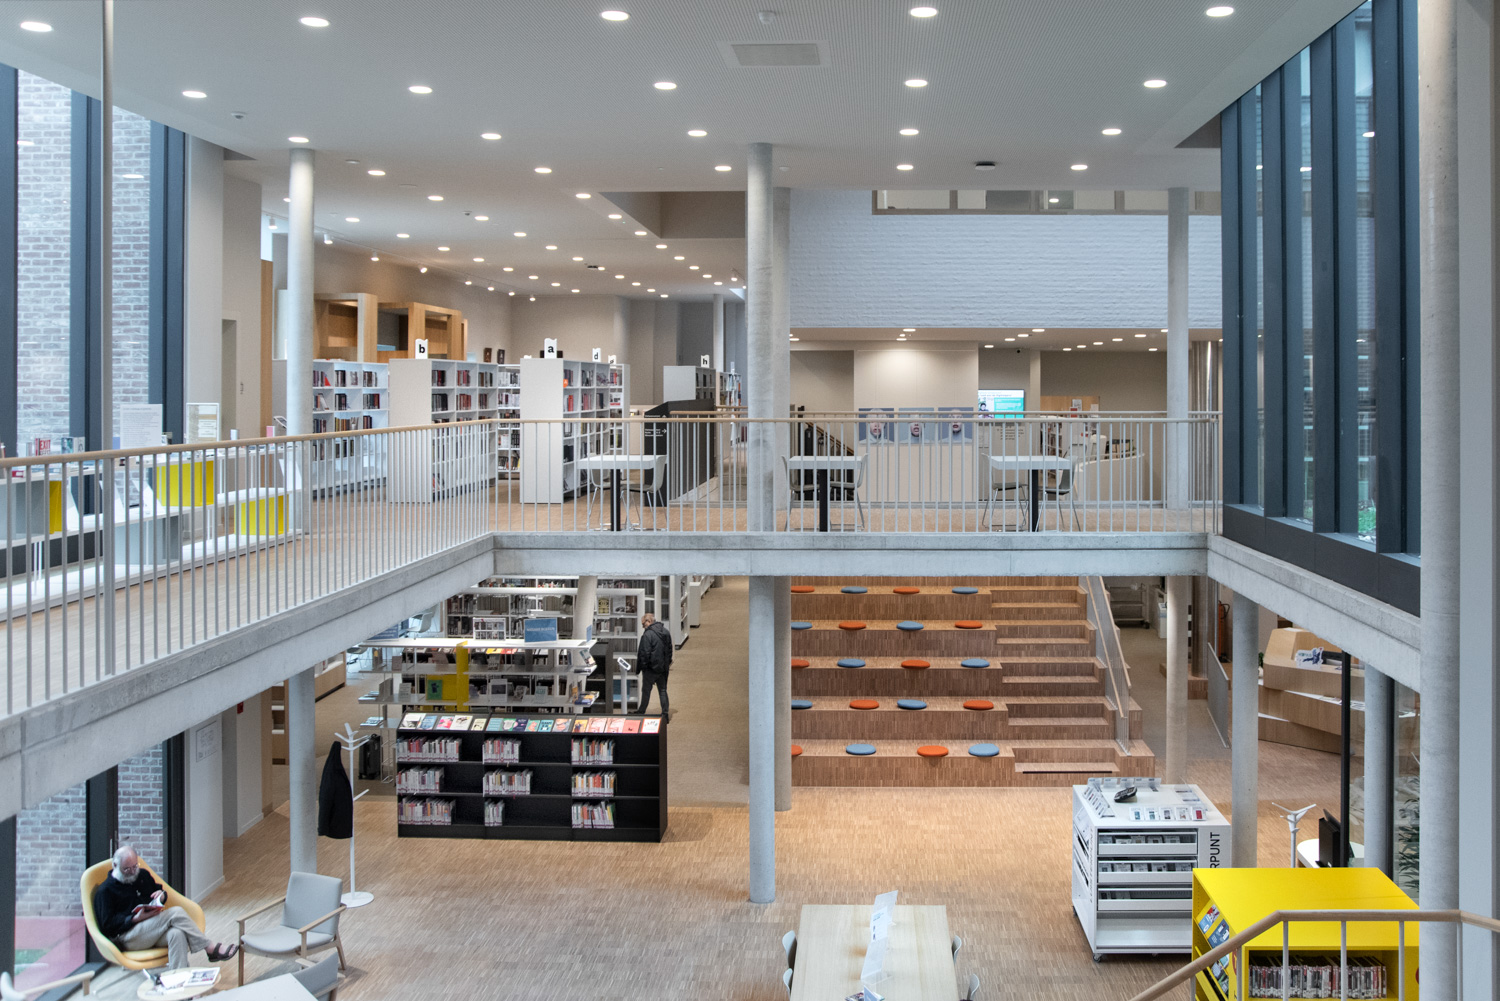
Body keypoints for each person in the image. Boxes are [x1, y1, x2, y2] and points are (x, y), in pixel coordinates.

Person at [92, 846, 239, 969]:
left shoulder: (142, 875)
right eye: (126, 869)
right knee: (175, 912)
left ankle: (179, 983)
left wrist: (161, 895)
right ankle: (210, 947)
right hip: (128, 938)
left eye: (134, 867)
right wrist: (134, 919)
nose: (132, 872)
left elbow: (158, 891)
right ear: (115, 866)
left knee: (177, 934)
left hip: (152, 929)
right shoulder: (105, 891)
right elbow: (107, 926)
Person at [635, 612, 673, 718]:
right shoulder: (665, 632)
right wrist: (667, 663)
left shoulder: (647, 635)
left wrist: (643, 667)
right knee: (663, 690)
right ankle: (665, 713)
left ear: (649, 621)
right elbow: (670, 650)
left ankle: (641, 712)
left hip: (650, 669)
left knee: (646, 691)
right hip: (662, 668)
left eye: (644, 624)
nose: (643, 627)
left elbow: (644, 653)